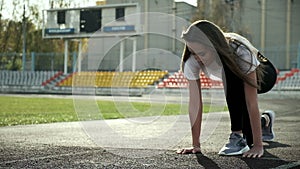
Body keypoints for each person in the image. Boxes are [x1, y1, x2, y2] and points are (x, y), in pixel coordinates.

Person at [176, 20, 275, 158]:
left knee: (230, 75)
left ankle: (236, 135)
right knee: (249, 137)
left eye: (202, 53)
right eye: (193, 52)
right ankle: (265, 121)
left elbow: (251, 102)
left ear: (214, 47)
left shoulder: (239, 51)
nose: (197, 58)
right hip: (236, 80)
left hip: (264, 75)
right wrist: (196, 145)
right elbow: (195, 103)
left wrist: (259, 146)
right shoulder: (191, 60)